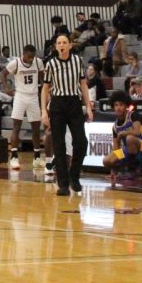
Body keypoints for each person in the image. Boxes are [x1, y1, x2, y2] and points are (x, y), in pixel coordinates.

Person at [40, 33, 94, 197]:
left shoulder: (78, 61)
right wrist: (44, 110)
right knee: (59, 144)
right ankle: (62, 183)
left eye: (64, 42)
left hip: (74, 103)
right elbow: (45, 88)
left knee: (81, 141)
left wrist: (89, 106)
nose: (62, 45)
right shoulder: (50, 64)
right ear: (56, 46)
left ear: (70, 45)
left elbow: (83, 85)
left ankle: (74, 175)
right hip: (57, 104)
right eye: (59, 43)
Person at [5, 44, 44, 172]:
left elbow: (43, 78)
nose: (31, 59)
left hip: (33, 96)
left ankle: (37, 157)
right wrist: (7, 89)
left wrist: (44, 90)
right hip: (20, 96)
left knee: (36, 128)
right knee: (17, 126)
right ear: (23, 54)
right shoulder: (15, 63)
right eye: (29, 56)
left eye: (33, 56)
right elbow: (2, 74)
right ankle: (14, 157)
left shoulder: (38, 62)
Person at [102, 91, 142, 188]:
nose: (118, 107)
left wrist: (123, 133)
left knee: (130, 138)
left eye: (121, 104)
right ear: (113, 106)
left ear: (126, 105)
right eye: (116, 105)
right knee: (107, 160)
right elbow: (116, 148)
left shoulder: (133, 115)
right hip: (129, 150)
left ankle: (135, 168)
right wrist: (113, 168)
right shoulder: (115, 126)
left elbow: (137, 132)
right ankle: (122, 171)